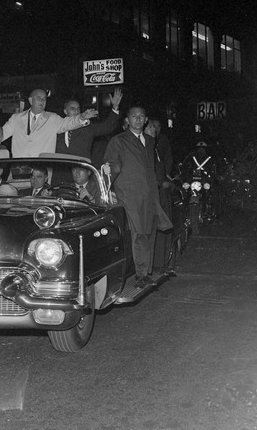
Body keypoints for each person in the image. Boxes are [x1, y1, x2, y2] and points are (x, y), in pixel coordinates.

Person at [103, 106, 173, 288]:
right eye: (134, 116)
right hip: (130, 196)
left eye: (141, 116)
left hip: (150, 195)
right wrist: (107, 189)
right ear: (127, 120)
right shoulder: (118, 141)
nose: (138, 119)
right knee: (139, 234)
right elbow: (110, 166)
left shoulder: (149, 141)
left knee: (149, 233)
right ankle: (141, 275)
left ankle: (145, 272)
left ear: (146, 119)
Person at [0, 88, 98, 157]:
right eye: (39, 98)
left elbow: (69, 123)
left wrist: (82, 117)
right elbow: (1, 134)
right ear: (30, 100)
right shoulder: (16, 118)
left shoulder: (53, 118)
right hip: (19, 173)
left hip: (42, 173)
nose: (42, 101)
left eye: (44, 99)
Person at [55, 88, 123, 160]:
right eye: (73, 109)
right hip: (61, 168)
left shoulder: (87, 126)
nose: (77, 111)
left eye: (78, 109)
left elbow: (107, 126)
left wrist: (115, 107)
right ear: (65, 111)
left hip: (81, 168)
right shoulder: (57, 126)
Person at [144, 117, 174, 275]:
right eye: (150, 127)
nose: (154, 130)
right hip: (153, 193)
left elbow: (165, 163)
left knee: (163, 228)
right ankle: (152, 266)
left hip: (161, 191)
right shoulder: (145, 147)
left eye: (156, 127)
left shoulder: (156, 146)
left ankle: (161, 263)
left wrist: (166, 178)